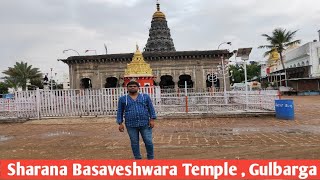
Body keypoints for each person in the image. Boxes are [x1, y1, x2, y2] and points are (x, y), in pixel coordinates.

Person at [116, 81, 157, 160]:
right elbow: (120, 111)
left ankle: (151, 158)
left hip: (145, 123)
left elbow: (151, 108)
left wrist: (152, 119)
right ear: (127, 88)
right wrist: (120, 123)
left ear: (138, 88)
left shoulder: (145, 97)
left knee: (148, 141)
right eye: (130, 86)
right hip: (131, 124)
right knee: (134, 142)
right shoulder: (123, 99)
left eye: (134, 86)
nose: (132, 87)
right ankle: (138, 159)